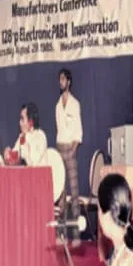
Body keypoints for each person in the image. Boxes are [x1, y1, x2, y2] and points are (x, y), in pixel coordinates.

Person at [56, 68, 83, 246]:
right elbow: (60, 129)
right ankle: (61, 234)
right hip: (59, 148)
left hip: (70, 150)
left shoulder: (75, 104)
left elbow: (78, 130)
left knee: (74, 193)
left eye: (63, 79)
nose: (61, 82)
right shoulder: (57, 105)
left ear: (69, 82)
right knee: (60, 193)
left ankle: (77, 236)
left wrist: (73, 149)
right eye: (59, 79)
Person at [4, 102, 48, 167]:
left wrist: (24, 142)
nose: (19, 123)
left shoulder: (40, 136)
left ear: (30, 121)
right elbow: (15, 159)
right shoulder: (23, 136)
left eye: (22, 119)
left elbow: (33, 164)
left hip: (40, 175)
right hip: (28, 175)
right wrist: (8, 156)